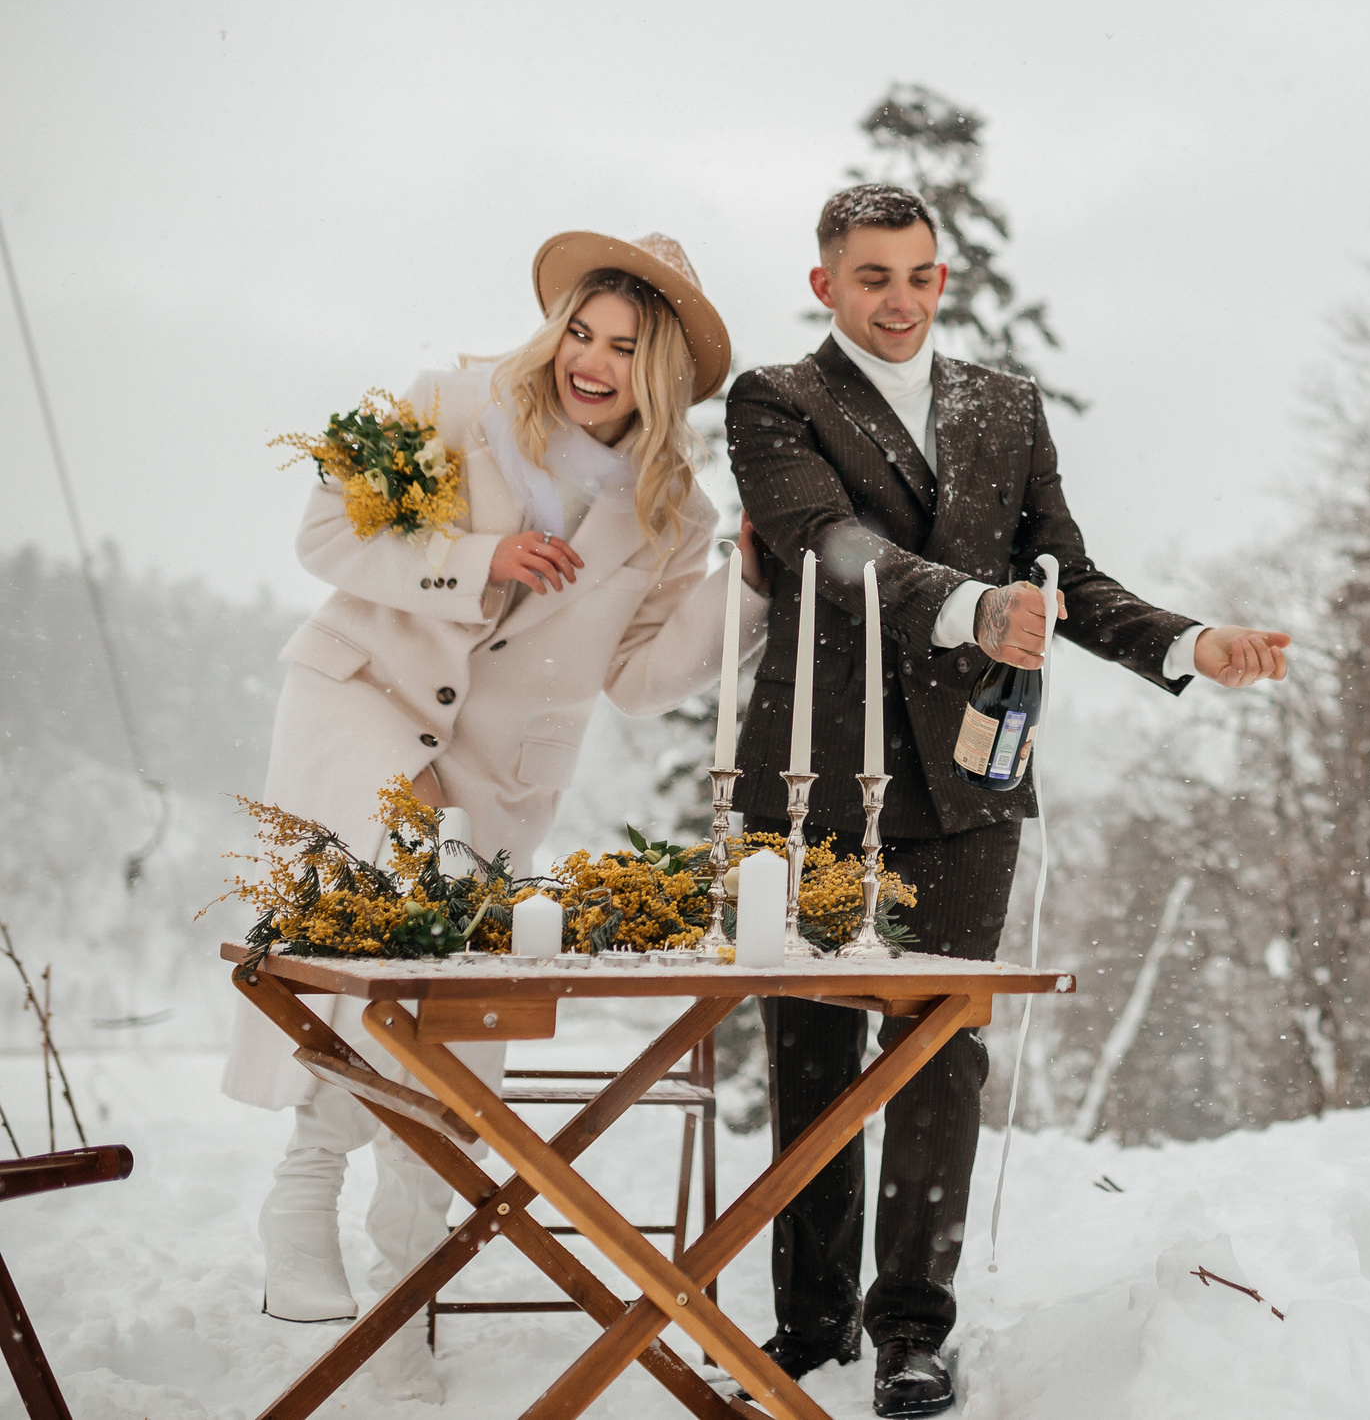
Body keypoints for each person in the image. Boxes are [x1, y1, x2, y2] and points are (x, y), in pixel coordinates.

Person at [726, 183, 1290, 1416]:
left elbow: (1064, 575)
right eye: (873, 276)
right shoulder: (777, 399)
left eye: (919, 274)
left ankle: (911, 1333)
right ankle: (807, 1323)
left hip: (968, 781)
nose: (901, 300)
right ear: (826, 284)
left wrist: (1187, 643)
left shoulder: (1004, 405)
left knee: (938, 1054)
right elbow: (823, 540)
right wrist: (972, 607)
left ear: (943, 277)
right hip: (814, 775)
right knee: (811, 1059)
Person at [221, 231, 769, 1401]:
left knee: (455, 1026)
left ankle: (404, 1297)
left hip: (498, 770)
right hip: (365, 702)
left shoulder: (675, 513)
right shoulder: (446, 403)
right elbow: (327, 536)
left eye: (624, 348)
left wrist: (750, 588)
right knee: (384, 928)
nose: (592, 361)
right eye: (581, 332)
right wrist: (479, 556)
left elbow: (639, 677)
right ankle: (306, 1187)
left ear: (659, 374)